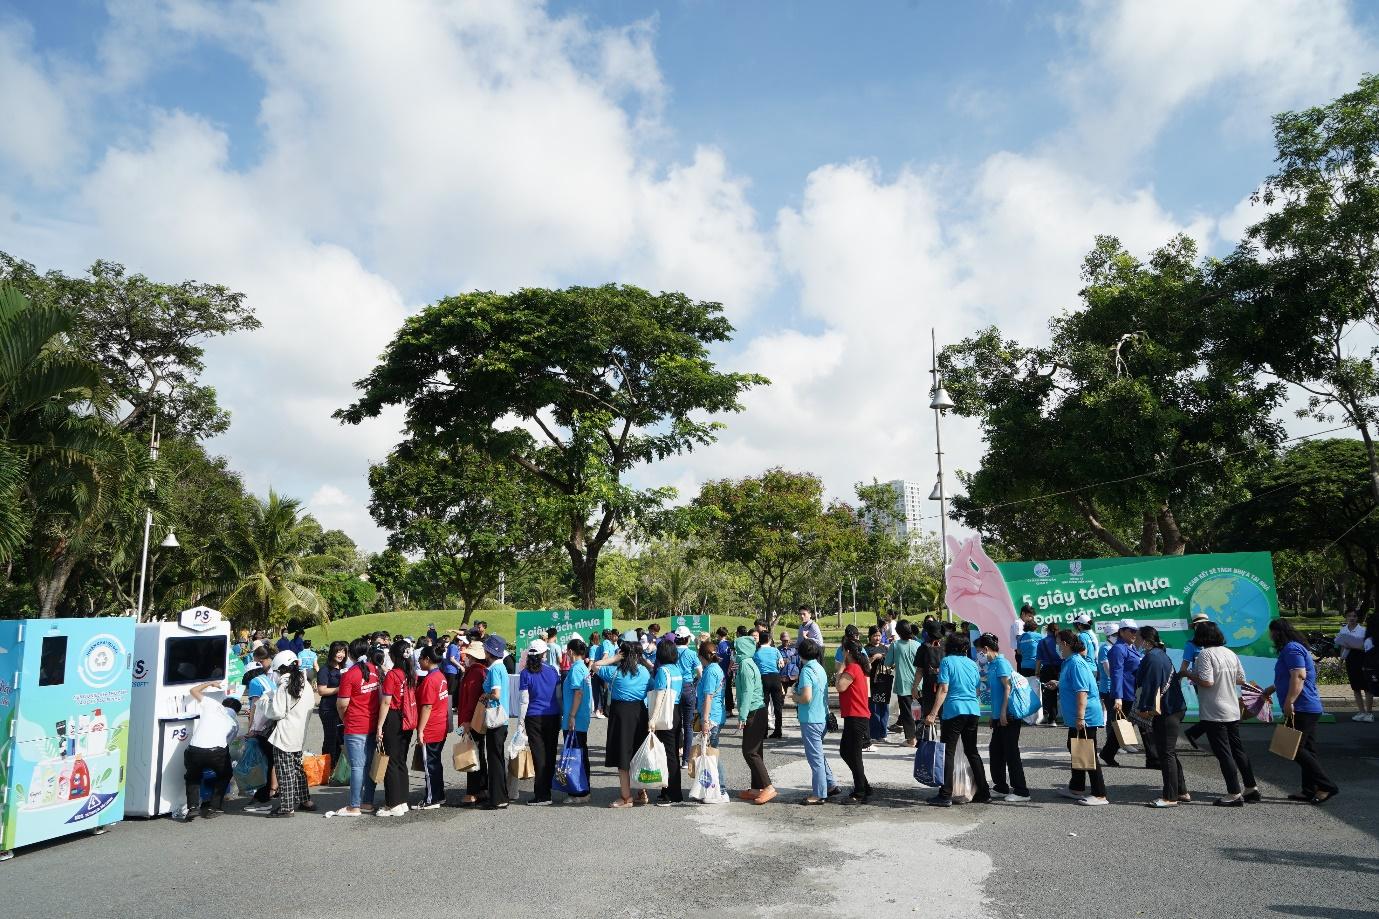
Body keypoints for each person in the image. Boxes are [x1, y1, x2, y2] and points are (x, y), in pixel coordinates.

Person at [1182, 620, 1260, 807]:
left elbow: (1207, 682)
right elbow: (1241, 679)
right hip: (1232, 707)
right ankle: (1251, 787)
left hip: (1214, 710)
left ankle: (1233, 792)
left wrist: (1189, 674)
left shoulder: (1205, 654)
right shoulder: (1230, 653)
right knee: (1237, 749)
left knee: (1223, 752)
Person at [1261, 619, 1339, 804]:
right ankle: (1309, 790)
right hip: (1306, 707)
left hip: (1301, 707)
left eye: (1271, 632)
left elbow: (1299, 675)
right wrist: (1271, 689)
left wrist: (1289, 701)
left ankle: (1327, 785)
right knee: (1307, 750)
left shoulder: (1291, 649)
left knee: (1293, 748)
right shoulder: (1294, 648)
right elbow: (1288, 676)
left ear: (1278, 632)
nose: (1270, 636)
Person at [924, 632, 991, 807]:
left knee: (948, 753)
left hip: (954, 711)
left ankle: (945, 794)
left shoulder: (946, 662)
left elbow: (944, 689)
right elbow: (976, 690)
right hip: (973, 711)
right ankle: (984, 791)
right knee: (972, 751)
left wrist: (932, 713)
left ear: (949, 647)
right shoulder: (972, 664)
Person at [1051, 628, 1109, 805]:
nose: (1057, 646)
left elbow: (1082, 692)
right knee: (1075, 747)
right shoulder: (1070, 661)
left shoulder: (1076, 663)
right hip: (1078, 716)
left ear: (1066, 644)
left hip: (1086, 716)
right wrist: (1059, 684)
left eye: (1059, 643)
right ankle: (1076, 787)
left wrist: (1080, 717)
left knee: (1086, 751)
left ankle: (1100, 794)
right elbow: (1073, 683)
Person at [1134, 625, 1188, 808]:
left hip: (1167, 710)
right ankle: (1181, 791)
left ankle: (1170, 796)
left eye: (1138, 637)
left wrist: (1144, 707)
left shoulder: (1153, 657)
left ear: (1147, 641)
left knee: (1166, 754)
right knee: (1169, 752)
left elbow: (1151, 684)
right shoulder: (1159, 654)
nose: (1135, 640)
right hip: (1173, 707)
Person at [597, 633, 653, 808]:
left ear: (623, 654)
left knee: (623, 757)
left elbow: (595, 665)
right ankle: (642, 792)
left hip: (620, 714)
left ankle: (626, 797)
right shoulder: (644, 672)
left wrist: (614, 658)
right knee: (639, 753)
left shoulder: (615, 672)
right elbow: (652, 688)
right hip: (640, 713)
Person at [330, 638, 380, 817]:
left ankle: (354, 805)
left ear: (350, 654)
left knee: (357, 767)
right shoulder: (375, 670)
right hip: (372, 725)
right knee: (368, 765)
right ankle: (367, 801)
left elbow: (342, 704)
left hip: (355, 726)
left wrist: (346, 719)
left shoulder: (350, 674)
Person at [975, 633, 1029, 802]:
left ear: (985, 649)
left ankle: (1021, 791)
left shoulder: (1001, 663)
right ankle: (1001, 787)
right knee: (996, 751)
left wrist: (1004, 712)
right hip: (999, 716)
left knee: (1011, 752)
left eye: (979, 651)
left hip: (1009, 716)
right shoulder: (992, 665)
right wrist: (994, 715)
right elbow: (995, 693)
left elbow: (1008, 688)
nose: (979, 654)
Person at [180, 681, 240, 822]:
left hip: (194, 750)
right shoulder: (234, 723)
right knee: (225, 774)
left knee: (192, 777)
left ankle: (193, 808)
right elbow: (227, 743)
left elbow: (193, 690)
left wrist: (210, 683)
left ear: (224, 703)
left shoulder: (213, 704)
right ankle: (214, 807)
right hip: (216, 752)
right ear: (236, 712)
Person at [266, 653, 315, 818]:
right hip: (299, 732)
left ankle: (287, 807)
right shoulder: (305, 683)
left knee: (284, 771)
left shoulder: (284, 685)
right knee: (297, 768)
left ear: (280, 668)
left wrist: (265, 703)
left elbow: (277, 712)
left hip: (284, 734)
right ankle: (305, 800)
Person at [792, 638, 837, 804]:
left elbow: (806, 697)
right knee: (818, 755)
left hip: (810, 719)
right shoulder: (820, 668)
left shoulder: (806, 671)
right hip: (822, 717)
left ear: (801, 653)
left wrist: (794, 697)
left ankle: (819, 794)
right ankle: (830, 784)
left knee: (815, 759)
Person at [1103, 620, 1152, 769]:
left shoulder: (1129, 647)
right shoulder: (1118, 649)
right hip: (1124, 694)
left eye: (1135, 631)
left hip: (1132, 693)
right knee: (1125, 725)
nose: (1134, 634)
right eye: (1131, 631)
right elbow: (1116, 673)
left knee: (1125, 725)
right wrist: (1117, 696)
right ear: (1122, 631)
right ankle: (1153, 757)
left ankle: (1107, 753)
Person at [519, 638, 562, 806]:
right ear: (544, 654)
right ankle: (547, 790)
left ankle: (542, 794)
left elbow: (524, 701)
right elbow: (558, 696)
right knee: (550, 754)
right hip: (552, 715)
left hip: (533, 717)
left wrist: (520, 725)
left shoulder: (525, 673)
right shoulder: (553, 671)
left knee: (539, 755)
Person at [377, 640, 417, 817]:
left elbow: (386, 701)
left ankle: (392, 803)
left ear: (392, 656)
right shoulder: (410, 673)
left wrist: (379, 726)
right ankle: (402, 801)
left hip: (393, 717)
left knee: (391, 761)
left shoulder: (393, 675)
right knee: (401, 760)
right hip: (407, 718)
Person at [734, 633, 775, 804]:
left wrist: (742, 716)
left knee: (749, 751)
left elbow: (747, 692)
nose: (734, 651)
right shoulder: (749, 662)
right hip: (759, 710)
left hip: (754, 711)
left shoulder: (744, 664)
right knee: (756, 750)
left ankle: (768, 787)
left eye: (736, 648)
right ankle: (757, 787)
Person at [835, 641, 872, 804]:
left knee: (855, 755)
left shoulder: (852, 668)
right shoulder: (858, 668)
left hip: (857, 717)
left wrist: (840, 669)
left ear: (847, 652)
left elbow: (840, 687)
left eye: (843, 650)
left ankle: (860, 791)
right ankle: (864, 785)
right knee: (845, 751)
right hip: (854, 716)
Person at [414, 645, 450, 809]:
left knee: (430, 765)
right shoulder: (440, 676)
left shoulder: (430, 680)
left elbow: (427, 706)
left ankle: (432, 798)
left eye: (421, 657)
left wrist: (420, 730)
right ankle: (438, 795)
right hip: (440, 725)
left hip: (431, 727)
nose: (419, 661)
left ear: (427, 660)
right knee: (435, 763)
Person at [480, 635, 513, 810]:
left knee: (494, 758)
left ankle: (497, 798)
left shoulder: (494, 670)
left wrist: (485, 695)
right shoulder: (501, 668)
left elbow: (496, 694)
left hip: (495, 718)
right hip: (503, 718)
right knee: (497, 757)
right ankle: (500, 795)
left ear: (488, 652)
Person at [456, 638, 490, 806]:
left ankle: (473, 791)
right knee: (478, 752)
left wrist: (466, 721)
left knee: (472, 753)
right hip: (477, 719)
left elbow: (471, 700)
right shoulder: (481, 671)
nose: (465, 657)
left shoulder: (475, 672)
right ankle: (482, 788)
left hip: (471, 720)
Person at [651, 639, 685, 806]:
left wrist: (653, 719)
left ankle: (671, 794)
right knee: (672, 753)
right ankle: (670, 791)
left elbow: (659, 696)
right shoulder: (676, 670)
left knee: (668, 754)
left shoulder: (662, 671)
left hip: (665, 713)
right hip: (676, 711)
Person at [561, 638, 593, 803]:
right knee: (580, 753)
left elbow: (578, 693)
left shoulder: (575, 670)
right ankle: (583, 788)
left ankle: (579, 791)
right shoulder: (583, 669)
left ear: (570, 652)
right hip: (582, 717)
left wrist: (572, 715)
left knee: (576, 755)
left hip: (575, 718)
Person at [696, 639, 728, 793]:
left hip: (712, 717)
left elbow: (708, 696)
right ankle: (713, 787)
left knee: (711, 753)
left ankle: (720, 788)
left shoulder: (709, 671)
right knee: (711, 752)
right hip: (717, 714)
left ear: (702, 657)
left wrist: (705, 720)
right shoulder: (717, 668)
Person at [884, 620, 922, 746]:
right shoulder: (917, 644)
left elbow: (888, 663)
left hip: (903, 684)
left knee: (907, 713)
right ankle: (920, 736)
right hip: (919, 683)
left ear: (899, 632)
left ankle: (911, 739)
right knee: (918, 712)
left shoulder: (895, 645)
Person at [315, 641, 348, 768]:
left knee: (341, 739)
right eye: (338, 651)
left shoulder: (344, 668)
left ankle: (339, 770)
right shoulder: (325, 670)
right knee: (331, 739)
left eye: (343, 651)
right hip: (329, 709)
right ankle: (327, 769)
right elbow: (322, 690)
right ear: (332, 652)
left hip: (342, 708)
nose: (341, 654)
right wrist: (341, 688)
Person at [1181, 611, 1211, 748]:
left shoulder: (1214, 642)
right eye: (1198, 625)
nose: (1201, 627)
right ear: (1194, 627)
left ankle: (1193, 732)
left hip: (1217, 681)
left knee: (1215, 714)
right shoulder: (1191, 645)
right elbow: (1184, 668)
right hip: (1200, 682)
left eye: (1204, 624)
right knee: (1211, 712)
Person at [1336, 609, 1373, 722]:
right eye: (1349, 616)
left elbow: (1369, 647)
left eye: (1354, 616)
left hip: (1363, 659)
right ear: (1346, 618)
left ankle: (1369, 713)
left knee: (1367, 688)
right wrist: (1341, 662)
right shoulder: (1343, 630)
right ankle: (1361, 712)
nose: (1352, 618)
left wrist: (1354, 645)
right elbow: (1343, 647)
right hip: (1350, 660)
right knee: (1356, 687)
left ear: (1358, 618)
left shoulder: (1363, 630)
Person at [674, 626, 702, 768]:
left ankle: (674, 757)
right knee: (688, 725)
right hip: (687, 687)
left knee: (675, 724)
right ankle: (686, 760)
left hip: (673, 687)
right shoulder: (691, 654)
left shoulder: (671, 652)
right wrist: (694, 683)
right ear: (687, 639)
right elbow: (700, 672)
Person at [755, 630, 786, 738]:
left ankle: (763, 732)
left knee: (764, 705)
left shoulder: (757, 652)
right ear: (769, 639)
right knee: (778, 706)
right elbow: (781, 664)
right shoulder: (775, 650)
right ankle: (778, 730)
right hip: (775, 677)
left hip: (763, 678)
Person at [1036, 622, 1062, 725]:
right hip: (1061, 669)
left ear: (1047, 630)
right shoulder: (1059, 640)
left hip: (1047, 669)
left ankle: (1052, 719)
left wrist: (1037, 671)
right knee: (1065, 692)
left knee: (1050, 695)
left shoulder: (1042, 642)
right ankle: (1068, 718)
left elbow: (1038, 659)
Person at [716, 628, 735, 715]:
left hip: (722, 670)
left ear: (718, 635)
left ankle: (726, 709)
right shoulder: (729, 643)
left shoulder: (720, 645)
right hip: (729, 669)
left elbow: (719, 658)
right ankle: (729, 709)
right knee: (728, 690)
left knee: (723, 690)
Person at [442, 634, 465, 702]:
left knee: (452, 689)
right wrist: (460, 666)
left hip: (453, 670)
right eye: (462, 641)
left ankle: (449, 707)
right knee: (451, 690)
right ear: (459, 641)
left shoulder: (454, 646)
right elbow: (452, 659)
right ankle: (449, 708)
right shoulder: (453, 647)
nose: (463, 643)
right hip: (451, 671)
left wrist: (460, 663)